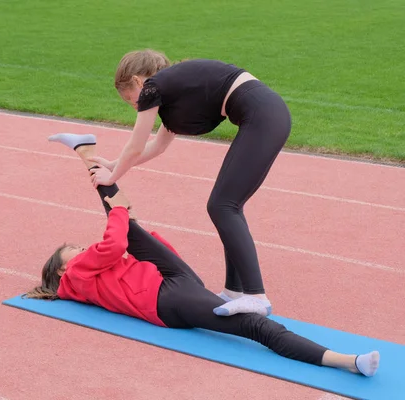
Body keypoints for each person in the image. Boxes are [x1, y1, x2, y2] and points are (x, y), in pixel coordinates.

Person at [24, 135, 380, 378]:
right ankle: (347, 362)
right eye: (78, 251)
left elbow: (123, 246)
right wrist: (119, 213)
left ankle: (87, 153)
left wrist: (126, 218)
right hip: (166, 300)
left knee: (127, 224)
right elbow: (114, 246)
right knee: (254, 326)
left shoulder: (91, 272)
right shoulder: (76, 274)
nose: (85, 250)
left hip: (170, 280)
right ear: (65, 266)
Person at [85, 49, 293, 317]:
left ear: (139, 82)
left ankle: (256, 295)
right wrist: (114, 164)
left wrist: (112, 178)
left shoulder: (152, 87)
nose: (134, 106)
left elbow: (136, 144)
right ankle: (234, 291)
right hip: (266, 114)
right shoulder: (174, 92)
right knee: (229, 206)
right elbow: (156, 146)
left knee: (222, 206)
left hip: (262, 115)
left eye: (131, 100)